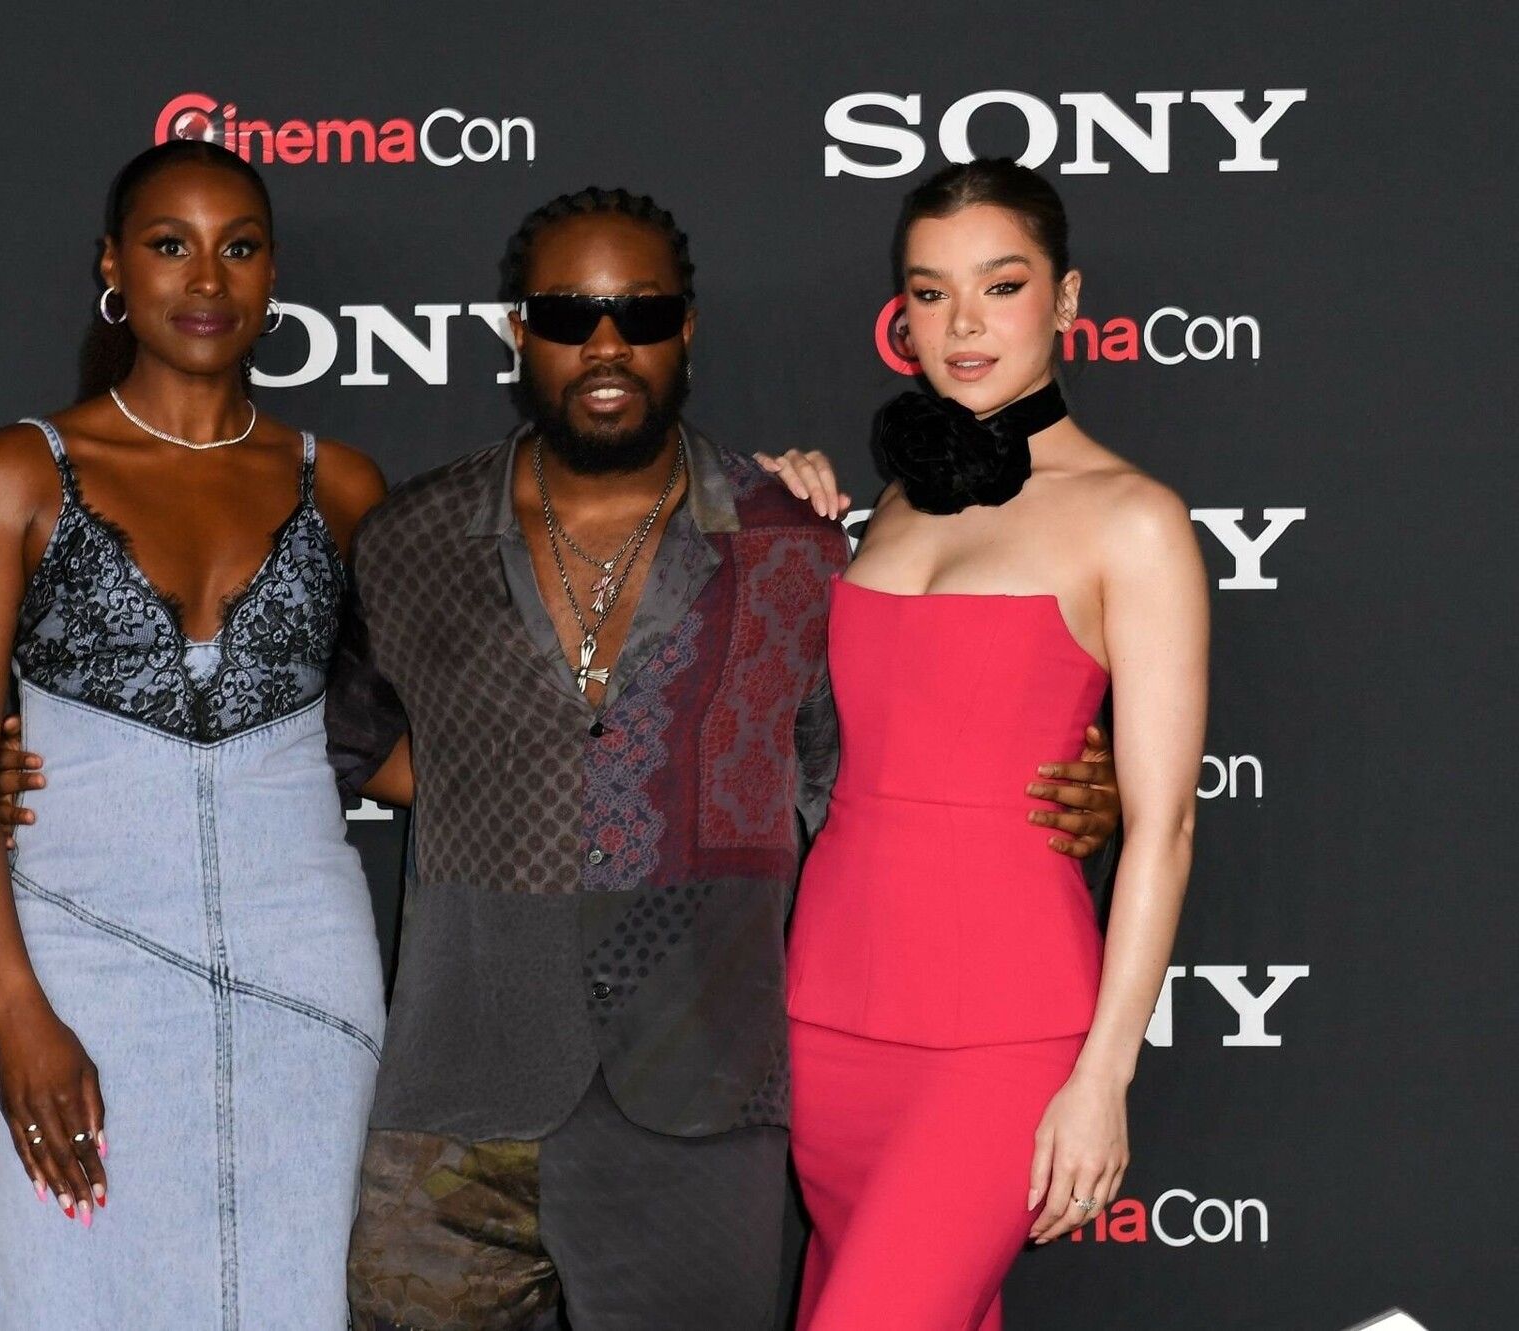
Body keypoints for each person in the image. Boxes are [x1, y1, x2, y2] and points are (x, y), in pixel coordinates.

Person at [323, 186, 1121, 1331]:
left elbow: (875, 782)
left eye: (643, 313)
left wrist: (1064, 789)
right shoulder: (413, 537)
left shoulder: (791, 543)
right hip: (458, 1094)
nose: (607, 344)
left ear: (688, 328)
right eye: (570, 313)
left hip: (699, 1103)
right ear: (518, 331)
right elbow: (330, 749)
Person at [0, 139, 389, 1329]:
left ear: (272, 271)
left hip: (305, 962)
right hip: (82, 959)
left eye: (239, 247)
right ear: (114, 268)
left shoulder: (342, 487)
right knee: (71, 1280)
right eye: (171, 245)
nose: (207, 278)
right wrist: (18, 1009)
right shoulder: (21, 472)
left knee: (300, 1285)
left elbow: (400, 742)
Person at [782, 159, 1209, 1330]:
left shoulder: (1134, 518)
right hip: (828, 1013)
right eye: (931, 292)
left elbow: (1164, 825)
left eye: (1001, 285)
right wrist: (762, 502)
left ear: (1066, 299)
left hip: (1003, 1030)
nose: (963, 322)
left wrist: (1104, 1075)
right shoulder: (888, 503)